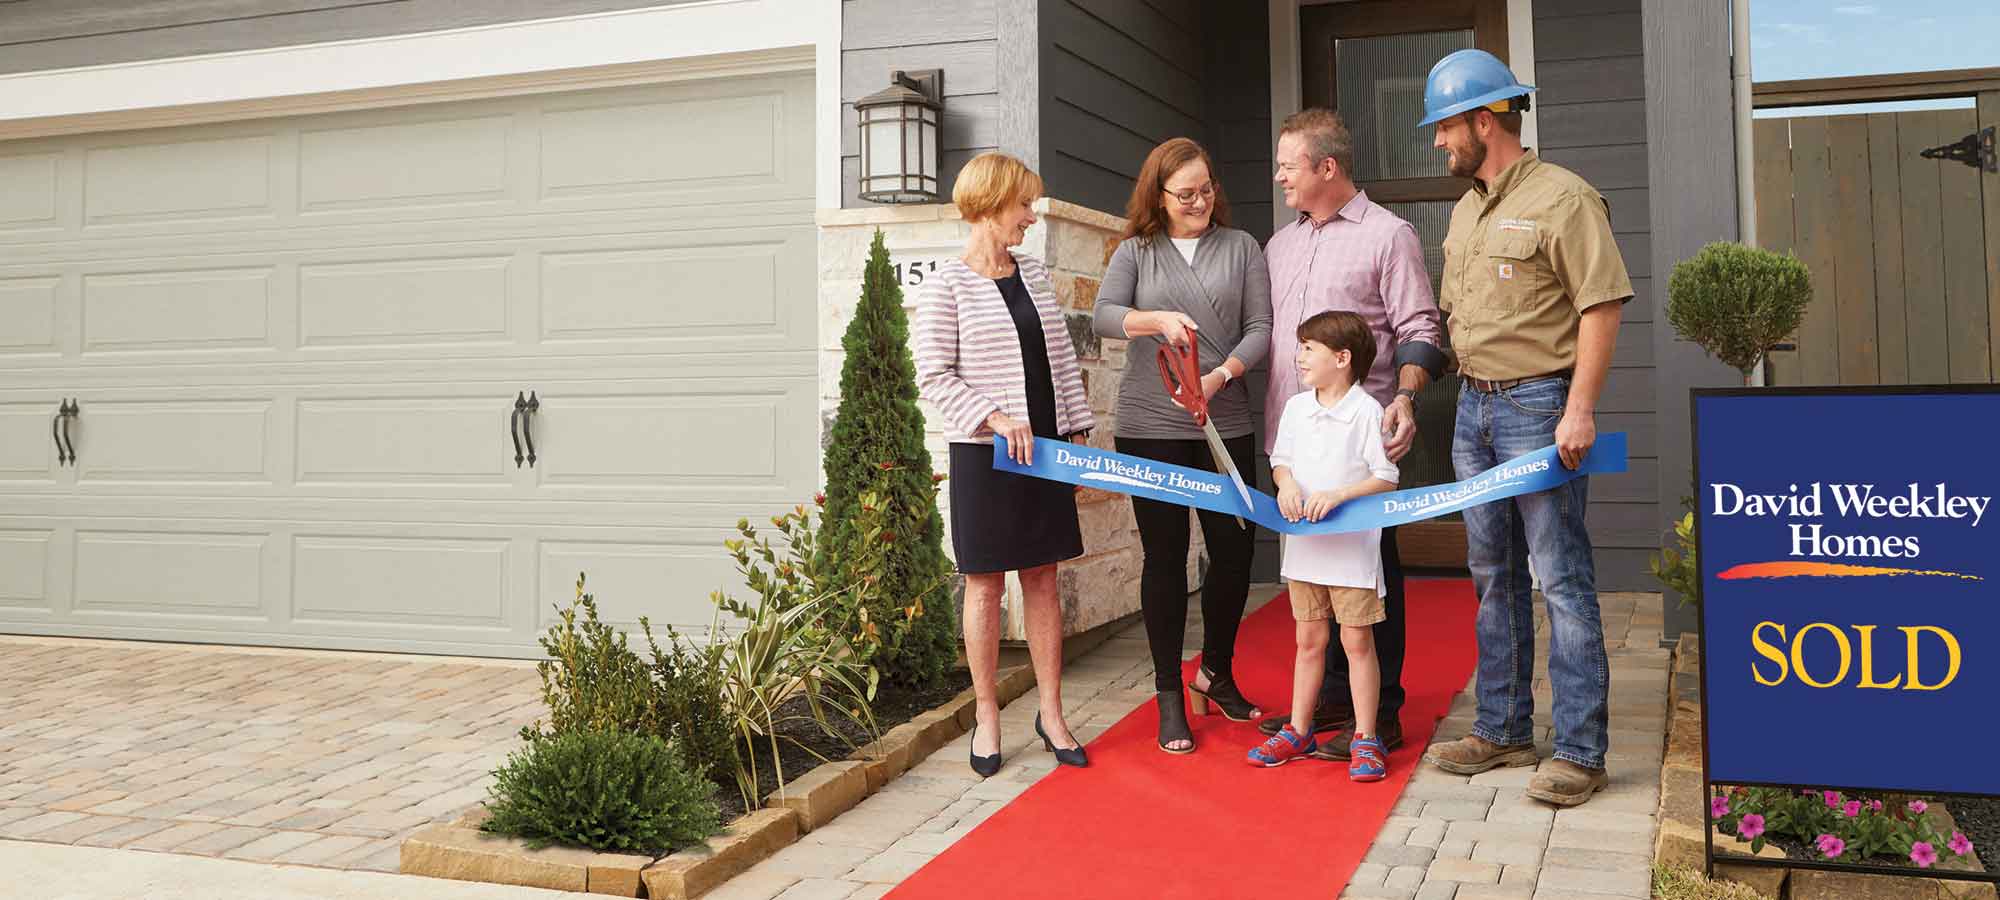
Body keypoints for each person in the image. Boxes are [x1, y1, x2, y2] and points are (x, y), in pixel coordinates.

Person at [1413, 49, 1631, 807]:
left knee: (1560, 578)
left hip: (1541, 408)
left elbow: (1601, 303)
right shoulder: (1467, 208)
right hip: (1473, 408)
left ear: (1485, 119)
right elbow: (1457, 319)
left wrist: (1579, 407)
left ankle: (1580, 750)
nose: (1440, 144)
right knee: (1491, 575)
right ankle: (1503, 729)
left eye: (1446, 129)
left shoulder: (1565, 199)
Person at [1257, 108, 1446, 764]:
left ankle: (1381, 713)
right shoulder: (1279, 245)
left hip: (1358, 445)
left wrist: (1407, 397)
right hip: (1295, 442)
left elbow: (1421, 323)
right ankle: (1332, 696)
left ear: (1326, 167)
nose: (1279, 176)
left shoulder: (1388, 235)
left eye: (1288, 165)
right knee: (1312, 573)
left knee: (1369, 577)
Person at [913, 152, 1095, 777]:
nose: (1030, 217)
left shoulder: (1035, 273)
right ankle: (987, 713)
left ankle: (1052, 711)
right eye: (1023, 205)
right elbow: (932, 377)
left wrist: (1075, 433)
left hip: (1043, 449)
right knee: (986, 584)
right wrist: (994, 418)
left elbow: (1062, 362)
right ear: (991, 204)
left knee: (1043, 577)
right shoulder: (947, 283)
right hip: (986, 455)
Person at [1090, 137, 1273, 754]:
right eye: (1185, 193)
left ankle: (1215, 671)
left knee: (1235, 552)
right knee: (1164, 558)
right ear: (1159, 197)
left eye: (1206, 189)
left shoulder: (1242, 247)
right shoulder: (1138, 251)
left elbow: (1261, 328)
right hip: (1150, 425)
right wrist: (1157, 320)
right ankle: (1169, 693)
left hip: (1225, 422)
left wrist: (1221, 377)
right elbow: (1104, 315)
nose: (1199, 201)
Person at [1249, 310, 1399, 778]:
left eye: (1309, 348)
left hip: (1352, 554)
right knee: (1308, 640)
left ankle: (1367, 736)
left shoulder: (1367, 411)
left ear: (1342, 357)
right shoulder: (1296, 408)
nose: (1299, 357)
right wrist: (1285, 484)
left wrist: (1339, 495)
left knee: (1356, 641)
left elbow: (1386, 477)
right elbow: (1281, 461)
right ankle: (1298, 728)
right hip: (1305, 549)